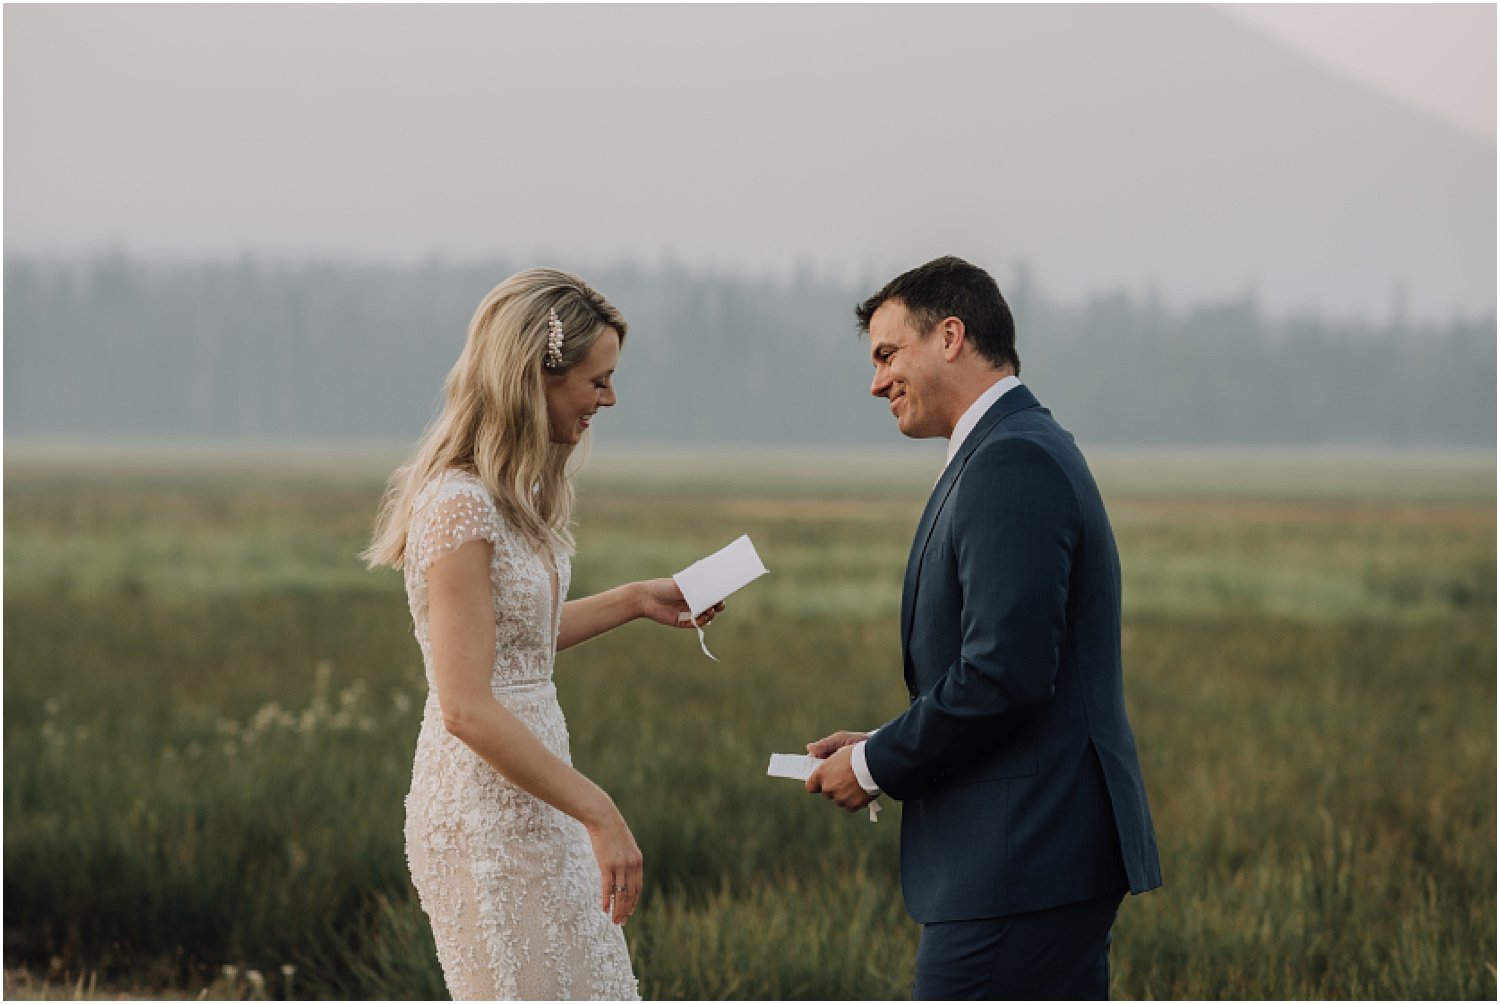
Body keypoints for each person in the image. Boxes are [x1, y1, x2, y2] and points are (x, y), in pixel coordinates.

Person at [804, 255, 1162, 999]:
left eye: (886, 354)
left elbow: (1005, 674)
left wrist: (874, 768)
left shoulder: (1012, 462)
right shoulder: (1005, 449)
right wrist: (883, 742)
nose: (875, 382)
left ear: (951, 336)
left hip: (1023, 858)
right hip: (1025, 858)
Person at [365, 268, 719, 1000]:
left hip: (541, 793)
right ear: (537, 376)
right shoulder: (459, 507)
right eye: (598, 380)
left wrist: (632, 600)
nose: (609, 399)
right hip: (483, 810)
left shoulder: (516, 493)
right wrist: (599, 808)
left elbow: (515, 646)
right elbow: (465, 703)